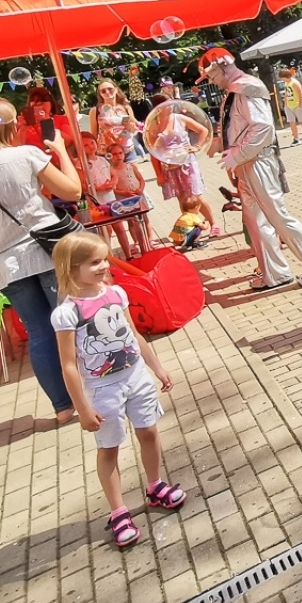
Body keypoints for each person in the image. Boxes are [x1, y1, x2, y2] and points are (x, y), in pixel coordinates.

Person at [0, 98, 83, 425]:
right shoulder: (26, 154)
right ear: (11, 126)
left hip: (3, 264)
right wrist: (62, 151)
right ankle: (90, 390)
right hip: (48, 251)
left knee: (39, 332)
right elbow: (73, 191)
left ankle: (63, 407)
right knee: (69, 324)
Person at [51, 233, 186, 550]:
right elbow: (69, 365)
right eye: (94, 262)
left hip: (136, 377)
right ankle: (118, 510)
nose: (102, 266)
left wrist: (157, 367)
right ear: (71, 269)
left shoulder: (116, 294)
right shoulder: (67, 313)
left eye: (104, 259)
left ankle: (155, 485)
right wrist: (82, 407)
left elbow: (134, 336)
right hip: (103, 388)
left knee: (149, 432)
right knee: (109, 447)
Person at [199, 48, 302, 291]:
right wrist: (222, 144)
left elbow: (262, 128)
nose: (211, 81)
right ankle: (275, 273)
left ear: (222, 67)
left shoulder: (246, 88)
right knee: (256, 220)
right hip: (248, 163)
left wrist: (238, 154)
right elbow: (241, 126)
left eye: (211, 75)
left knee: (275, 215)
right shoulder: (236, 89)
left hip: (257, 161)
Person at [145, 94, 217, 229]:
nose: (172, 106)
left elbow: (203, 130)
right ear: (159, 108)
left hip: (186, 164)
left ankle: (213, 224)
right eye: (168, 104)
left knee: (195, 196)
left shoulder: (179, 119)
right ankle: (192, 227)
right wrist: (159, 174)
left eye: (172, 103)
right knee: (183, 199)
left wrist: (197, 146)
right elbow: (153, 153)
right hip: (170, 167)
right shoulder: (154, 125)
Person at [88, 80, 141, 164]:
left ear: (116, 89)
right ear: (100, 94)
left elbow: (133, 128)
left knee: (134, 176)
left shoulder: (126, 107)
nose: (107, 92)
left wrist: (129, 129)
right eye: (103, 91)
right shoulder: (96, 111)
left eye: (110, 89)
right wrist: (92, 152)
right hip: (106, 152)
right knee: (112, 177)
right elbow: (94, 133)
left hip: (126, 150)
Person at [279, 68, 302, 144]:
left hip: (297, 105)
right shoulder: (286, 83)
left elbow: (300, 94)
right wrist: (285, 104)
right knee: (291, 122)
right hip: (289, 105)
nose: (282, 79)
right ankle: (296, 138)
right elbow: (287, 93)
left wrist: (300, 104)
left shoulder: (295, 83)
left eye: (282, 77)